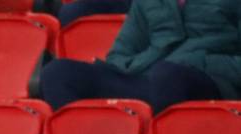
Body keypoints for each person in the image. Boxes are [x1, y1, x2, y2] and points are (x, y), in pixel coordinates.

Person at [41, 0, 240, 113]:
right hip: (149, 79)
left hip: (205, 81)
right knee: (57, 73)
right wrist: (155, 56)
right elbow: (118, 56)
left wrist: (198, 62)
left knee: (167, 76)